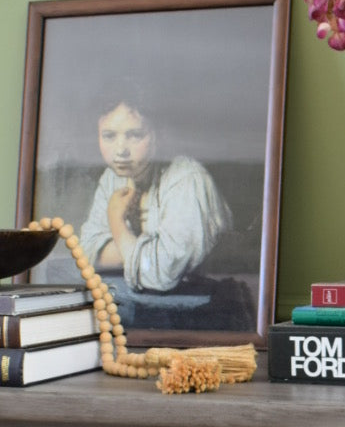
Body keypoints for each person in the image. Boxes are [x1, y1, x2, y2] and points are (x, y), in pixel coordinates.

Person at [79, 99, 233, 294]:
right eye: (109, 136)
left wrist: (116, 223)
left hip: (207, 302)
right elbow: (87, 253)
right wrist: (145, 253)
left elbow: (161, 274)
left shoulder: (187, 179)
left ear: (157, 135)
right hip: (149, 301)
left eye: (134, 136)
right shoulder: (113, 178)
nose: (120, 150)